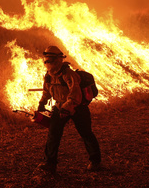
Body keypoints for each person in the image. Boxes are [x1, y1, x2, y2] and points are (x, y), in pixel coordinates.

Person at [35, 45, 101, 175]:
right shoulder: (48, 76)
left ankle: (95, 161)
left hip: (77, 108)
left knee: (86, 133)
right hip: (60, 107)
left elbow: (75, 94)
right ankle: (50, 163)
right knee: (53, 134)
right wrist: (42, 104)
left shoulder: (68, 74)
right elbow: (47, 91)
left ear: (59, 60)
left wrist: (67, 108)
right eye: (46, 60)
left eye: (51, 60)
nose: (48, 63)